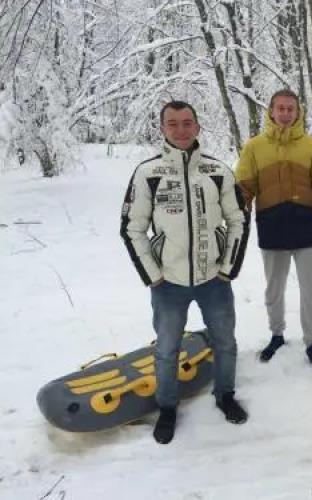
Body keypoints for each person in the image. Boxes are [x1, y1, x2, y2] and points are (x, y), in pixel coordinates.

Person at [120, 101, 250, 444]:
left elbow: (238, 219)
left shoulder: (217, 171)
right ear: (162, 128)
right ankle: (167, 407)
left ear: (197, 127)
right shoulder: (148, 173)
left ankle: (225, 395)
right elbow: (132, 228)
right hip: (168, 283)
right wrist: (153, 275)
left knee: (225, 342)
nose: (181, 130)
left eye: (187, 122)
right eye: (173, 123)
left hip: (214, 280)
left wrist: (228, 268)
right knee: (167, 349)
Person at [235, 89, 312, 374]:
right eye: (280, 108)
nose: (285, 113)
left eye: (290, 108)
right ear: (271, 111)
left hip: (308, 230)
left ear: (298, 112)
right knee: (274, 289)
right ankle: (277, 334)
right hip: (272, 229)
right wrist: (236, 216)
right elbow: (243, 189)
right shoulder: (254, 147)